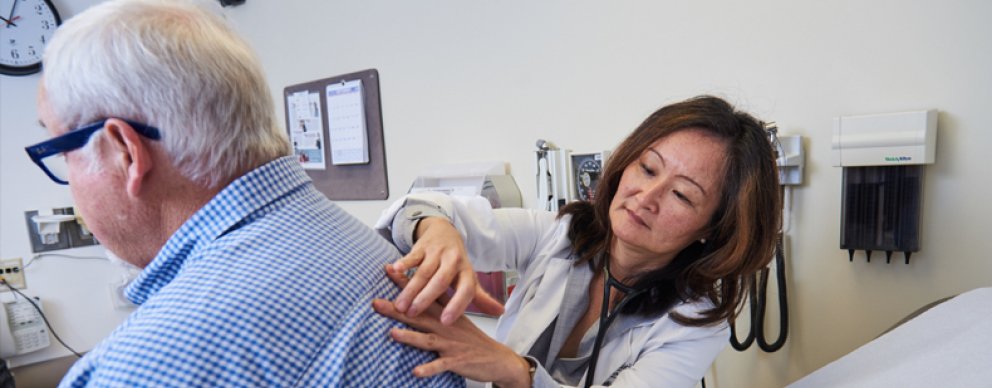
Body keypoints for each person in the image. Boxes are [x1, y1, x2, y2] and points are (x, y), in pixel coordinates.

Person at [25, 1, 463, 387]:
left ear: (125, 152)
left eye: (62, 152)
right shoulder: (359, 246)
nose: (70, 178)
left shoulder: (135, 370)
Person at [373, 95, 781, 387]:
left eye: (682, 195)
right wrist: (437, 231)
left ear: (715, 227)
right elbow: (425, 207)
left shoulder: (694, 325)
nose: (647, 197)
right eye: (648, 168)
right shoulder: (559, 234)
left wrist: (517, 372)